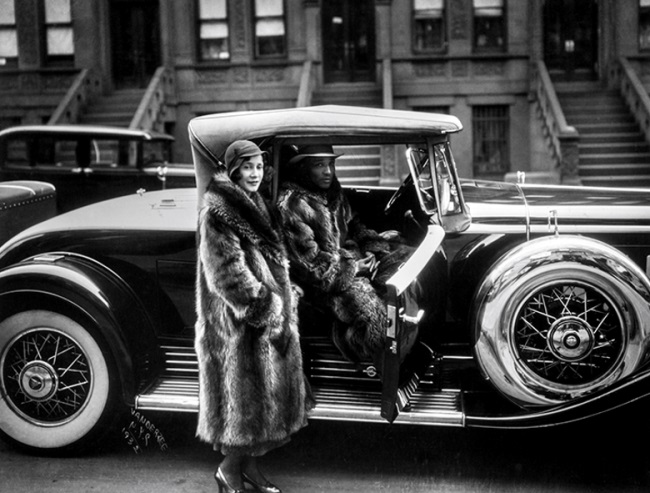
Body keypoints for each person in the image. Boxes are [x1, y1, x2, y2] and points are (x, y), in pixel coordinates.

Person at [194, 140, 313, 493]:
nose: (255, 174)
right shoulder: (218, 211)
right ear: (233, 170)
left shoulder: (257, 203)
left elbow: (272, 261)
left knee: (263, 409)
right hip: (237, 324)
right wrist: (268, 308)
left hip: (264, 319)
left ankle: (251, 470)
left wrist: (286, 294)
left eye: (259, 167)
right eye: (248, 167)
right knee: (243, 407)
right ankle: (228, 471)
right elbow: (226, 274)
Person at [277, 144, 410, 367]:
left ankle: (408, 348)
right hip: (321, 286)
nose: (328, 171)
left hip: (350, 262)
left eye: (331, 164)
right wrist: (354, 268)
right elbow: (310, 266)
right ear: (303, 169)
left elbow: (355, 226)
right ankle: (365, 357)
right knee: (375, 315)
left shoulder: (332, 193)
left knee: (405, 259)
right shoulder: (292, 205)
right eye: (319, 165)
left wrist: (373, 249)